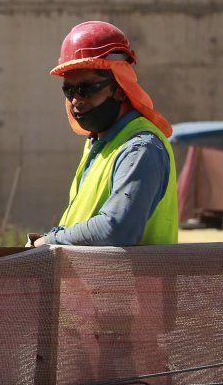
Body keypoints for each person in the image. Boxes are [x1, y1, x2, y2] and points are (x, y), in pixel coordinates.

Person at [31, 21, 177, 247]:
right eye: (69, 91)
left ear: (119, 88)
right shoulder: (98, 144)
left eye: (86, 89)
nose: (76, 100)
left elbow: (117, 228)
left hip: (132, 284)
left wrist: (50, 241)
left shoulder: (140, 148)